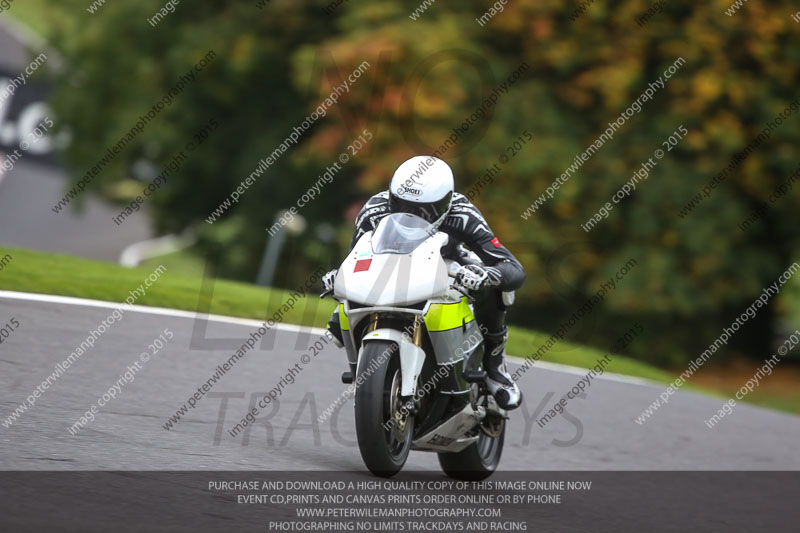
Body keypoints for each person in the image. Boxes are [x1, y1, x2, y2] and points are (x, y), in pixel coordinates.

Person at [323, 156, 526, 410]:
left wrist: (486, 275)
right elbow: (357, 254)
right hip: (391, 269)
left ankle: (495, 367)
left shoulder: (463, 213)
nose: (411, 215)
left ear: (445, 202)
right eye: (401, 204)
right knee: (340, 306)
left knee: (496, 288)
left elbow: (512, 268)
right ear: (392, 196)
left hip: (447, 265)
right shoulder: (375, 208)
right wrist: (339, 275)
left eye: (423, 210)